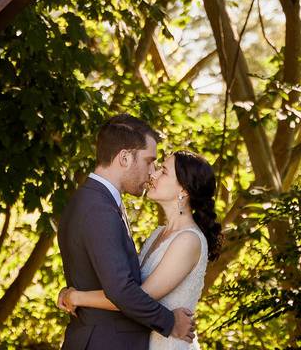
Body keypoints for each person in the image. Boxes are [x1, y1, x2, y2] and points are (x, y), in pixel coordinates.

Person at [58, 149, 222, 349]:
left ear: (184, 191)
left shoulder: (188, 240)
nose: (153, 175)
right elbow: (124, 286)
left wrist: (76, 296)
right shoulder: (158, 233)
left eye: (163, 171)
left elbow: (137, 296)